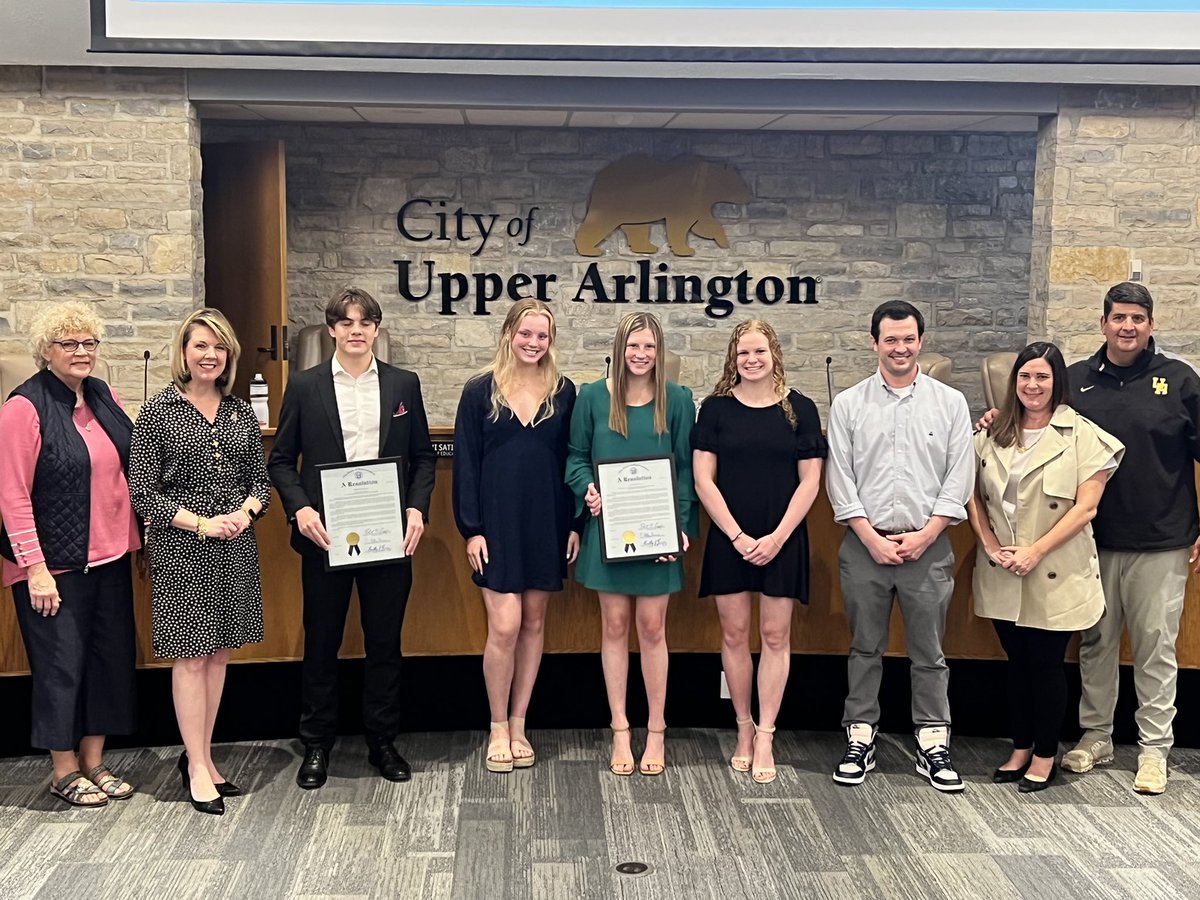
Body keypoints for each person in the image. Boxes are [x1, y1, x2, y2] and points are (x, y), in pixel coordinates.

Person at [268, 287, 436, 790]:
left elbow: (424, 457)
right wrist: (299, 508)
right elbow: (280, 460)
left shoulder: (404, 385)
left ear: (376, 330)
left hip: (388, 535)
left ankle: (382, 740)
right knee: (322, 641)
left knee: (385, 643)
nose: (356, 330)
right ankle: (316, 743)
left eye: (365, 322)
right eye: (346, 322)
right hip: (326, 536)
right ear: (332, 331)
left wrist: (416, 507)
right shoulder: (304, 385)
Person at [825, 300, 973, 792]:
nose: (900, 348)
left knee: (929, 652)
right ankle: (860, 734)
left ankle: (933, 740)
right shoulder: (849, 405)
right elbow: (839, 480)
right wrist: (869, 536)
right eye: (891, 339)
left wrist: (928, 533)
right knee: (864, 646)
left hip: (927, 549)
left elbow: (959, 479)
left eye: (908, 338)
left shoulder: (950, 404)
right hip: (864, 547)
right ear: (874, 343)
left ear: (921, 342)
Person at [1058, 283, 1200, 794]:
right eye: (1118, 317)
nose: (1128, 327)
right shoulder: (1074, 382)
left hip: (1162, 540)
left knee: (1155, 647)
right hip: (1090, 539)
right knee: (1095, 642)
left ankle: (1154, 749)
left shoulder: (1180, 381)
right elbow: (1035, 431)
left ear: (1151, 325)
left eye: (1138, 318)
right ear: (1103, 324)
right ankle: (1095, 736)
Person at [129, 308, 271, 816]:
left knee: (219, 655)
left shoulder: (237, 412)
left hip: (234, 546)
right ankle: (194, 765)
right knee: (190, 658)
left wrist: (245, 512)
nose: (209, 355)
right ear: (183, 353)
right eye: (200, 346)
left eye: (218, 347)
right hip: (182, 549)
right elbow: (143, 493)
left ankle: (205, 757)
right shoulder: (157, 413)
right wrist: (200, 522)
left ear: (229, 354)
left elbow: (261, 480)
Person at [0, 302, 141, 808]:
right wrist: (35, 569)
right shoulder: (24, 407)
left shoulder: (102, 395)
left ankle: (95, 761)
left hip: (109, 557)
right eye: (69, 344)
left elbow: (128, 466)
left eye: (89, 343)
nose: (81, 352)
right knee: (62, 666)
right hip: (52, 567)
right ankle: (63, 770)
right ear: (46, 350)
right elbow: (12, 494)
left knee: (108, 660)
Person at [966, 342, 1123, 793]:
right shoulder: (992, 433)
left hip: (1055, 567)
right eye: (1025, 377)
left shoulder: (1082, 435)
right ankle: (1020, 746)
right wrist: (993, 545)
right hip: (1002, 566)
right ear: (1013, 382)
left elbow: (1085, 508)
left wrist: (1034, 551)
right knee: (1017, 663)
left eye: (1042, 377)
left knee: (1046, 664)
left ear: (1058, 383)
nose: (1032, 386)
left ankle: (1045, 753)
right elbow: (972, 496)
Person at [691, 320, 826, 784]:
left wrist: (777, 537)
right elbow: (702, 479)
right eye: (744, 352)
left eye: (760, 352)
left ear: (774, 354)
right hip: (731, 539)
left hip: (782, 539)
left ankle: (767, 733)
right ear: (734, 358)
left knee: (774, 637)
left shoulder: (800, 409)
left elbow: (811, 481)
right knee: (733, 636)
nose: (752, 360)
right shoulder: (714, 410)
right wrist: (736, 536)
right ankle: (743, 729)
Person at [453, 299, 583, 773]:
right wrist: (472, 530)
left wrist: (575, 524)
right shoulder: (478, 391)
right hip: (497, 526)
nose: (533, 343)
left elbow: (575, 462)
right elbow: (465, 465)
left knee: (532, 625)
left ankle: (520, 721)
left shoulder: (565, 392)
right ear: (509, 333)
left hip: (547, 522)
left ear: (551, 341)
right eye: (525, 333)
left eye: (542, 336)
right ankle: (496, 726)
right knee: (504, 626)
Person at [566, 312, 698, 777]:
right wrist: (587, 489)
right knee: (615, 626)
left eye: (649, 347)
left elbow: (686, 469)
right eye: (632, 346)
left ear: (660, 352)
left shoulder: (679, 399)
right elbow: (576, 457)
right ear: (619, 349)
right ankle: (621, 728)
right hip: (609, 530)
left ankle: (656, 730)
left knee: (653, 628)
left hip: (659, 532)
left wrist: (681, 527)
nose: (640, 355)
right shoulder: (592, 397)